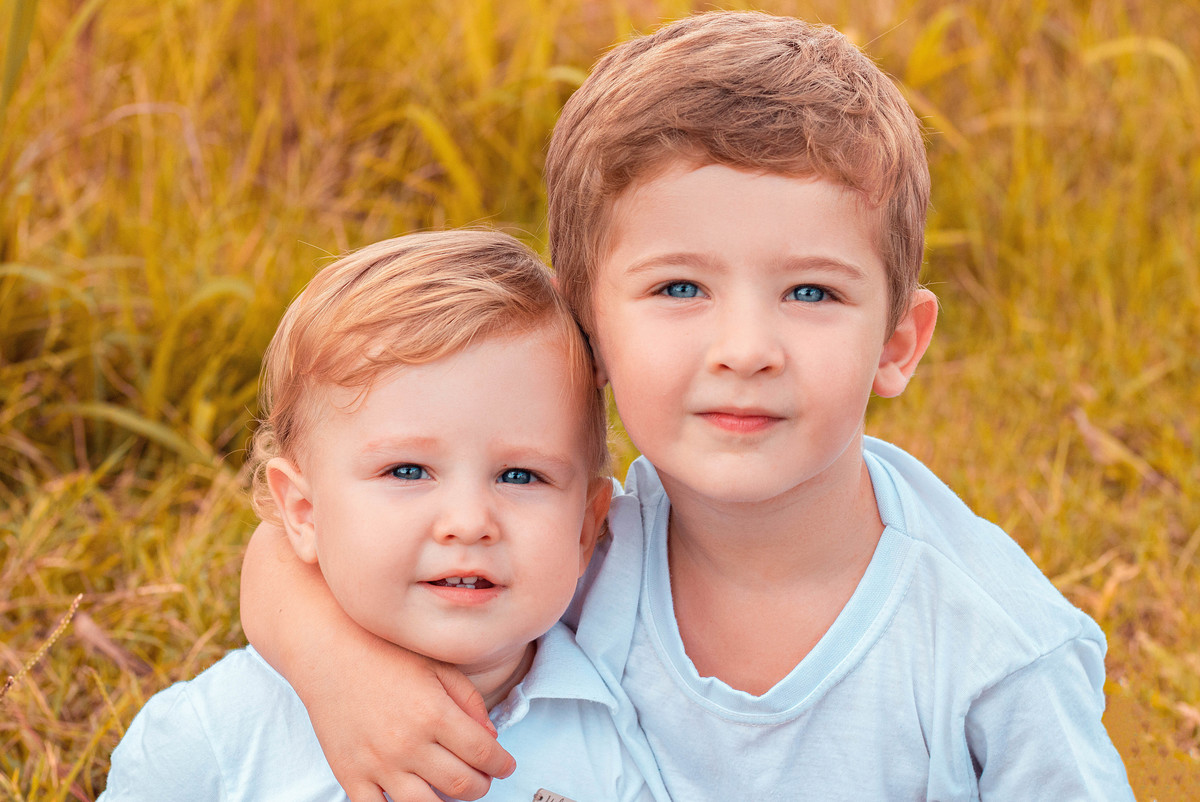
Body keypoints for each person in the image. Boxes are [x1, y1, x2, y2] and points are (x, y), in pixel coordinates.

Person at [240, 11, 1135, 801]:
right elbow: (284, 550)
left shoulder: (994, 653)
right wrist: (339, 672)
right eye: (679, 287)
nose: (745, 349)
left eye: (812, 292)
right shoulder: (579, 542)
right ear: (588, 331)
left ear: (898, 343)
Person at [100, 230, 670, 802]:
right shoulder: (211, 741)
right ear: (303, 512)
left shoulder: (620, 740)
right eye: (408, 471)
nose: (469, 522)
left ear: (585, 530)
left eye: (520, 476)